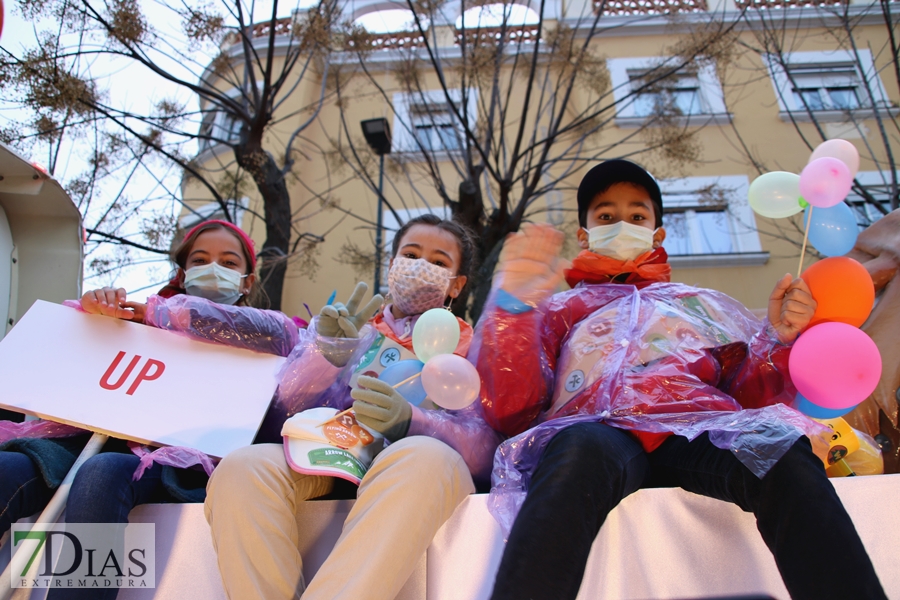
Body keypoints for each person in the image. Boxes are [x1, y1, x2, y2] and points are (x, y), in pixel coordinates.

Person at [473, 159, 887, 600]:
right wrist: (514, 306)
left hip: (696, 431)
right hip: (597, 433)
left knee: (778, 445)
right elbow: (512, 407)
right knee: (574, 453)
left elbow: (746, 396)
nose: (622, 223)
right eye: (606, 216)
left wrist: (777, 341)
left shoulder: (699, 307)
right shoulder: (561, 308)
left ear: (658, 234)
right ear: (584, 234)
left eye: (637, 216)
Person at [204, 214, 502, 600]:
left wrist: (413, 421)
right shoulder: (352, 328)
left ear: (457, 284)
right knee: (243, 468)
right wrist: (325, 355)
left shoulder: (473, 349)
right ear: (392, 264)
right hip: (332, 454)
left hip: (415, 467)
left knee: (424, 454)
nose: (421, 267)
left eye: (439, 262)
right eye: (410, 254)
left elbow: (486, 448)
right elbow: (281, 414)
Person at [0, 219, 301, 600]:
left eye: (228, 263)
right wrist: (94, 310)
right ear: (182, 271)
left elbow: (281, 333)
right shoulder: (138, 319)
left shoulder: (266, 331)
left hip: (182, 464)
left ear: (247, 282)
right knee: (6, 470)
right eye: (201, 259)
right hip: (90, 442)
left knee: (101, 474)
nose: (214, 269)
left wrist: (165, 314)